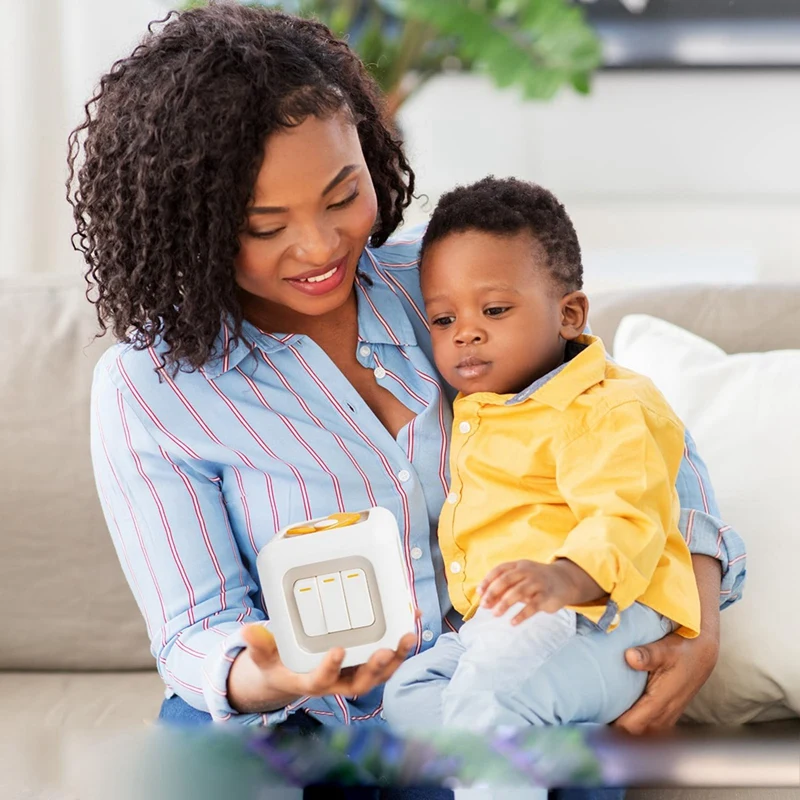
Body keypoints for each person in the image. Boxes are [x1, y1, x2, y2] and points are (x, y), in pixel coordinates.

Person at [67, 5, 745, 800]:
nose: (320, 247)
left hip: (484, 695)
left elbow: (635, 431)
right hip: (296, 727)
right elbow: (194, 631)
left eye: (341, 193)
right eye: (265, 224)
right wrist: (271, 672)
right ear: (193, 224)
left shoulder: (451, 287)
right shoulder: (150, 389)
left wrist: (694, 619)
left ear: (372, 155)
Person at [383, 176, 701, 732]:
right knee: (408, 698)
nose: (466, 334)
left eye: (496, 310)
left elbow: (627, 519)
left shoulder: (605, 405)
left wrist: (562, 579)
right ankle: (547, 746)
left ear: (570, 315)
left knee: (493, 702)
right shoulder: (480, 409)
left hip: (599, 614)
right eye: (444, 319)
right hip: (501, 627)